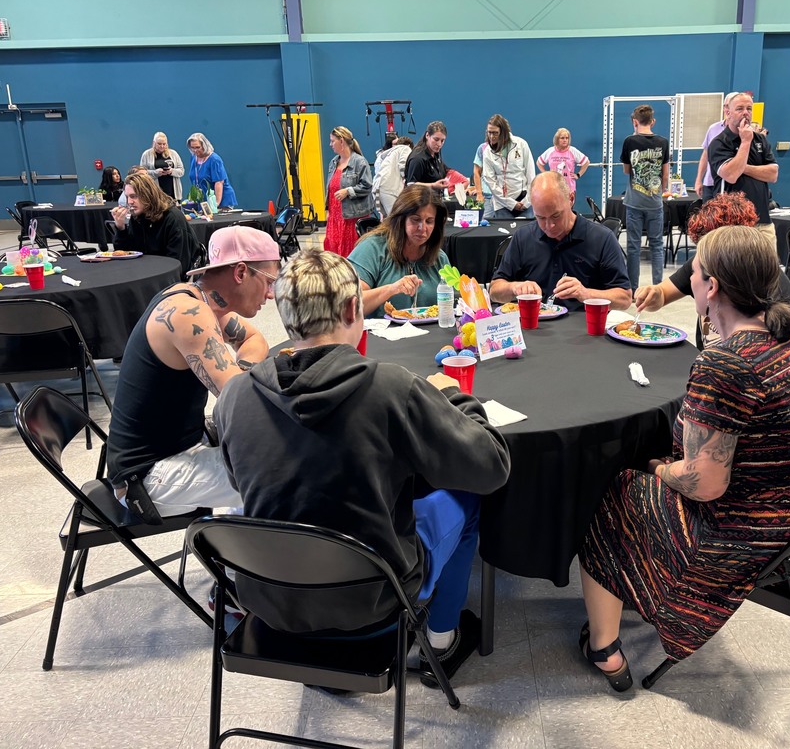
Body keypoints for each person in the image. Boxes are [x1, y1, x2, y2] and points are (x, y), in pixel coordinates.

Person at [213, 249, 511, 686]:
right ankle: (442, 639)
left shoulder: (234, 397)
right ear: (354, 307)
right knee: (465, 496)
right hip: (371, 600)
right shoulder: (391, 388)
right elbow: (492, 466)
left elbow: (242, 481)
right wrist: (454, 397)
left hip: (270, 595)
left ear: (286, 315)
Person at [577, 224, 790, 693]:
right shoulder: (789, 335)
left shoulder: (726, 363)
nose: (690, 281)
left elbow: (705, 484)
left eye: (695, 273)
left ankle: (604, 647)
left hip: (774, 545)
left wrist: (656, 468)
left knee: (612, 487)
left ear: (712, 287)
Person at [106, 226, 280, 521]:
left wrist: (240, 372)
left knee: (270, 451)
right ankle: (242, 557)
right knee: (288, 472)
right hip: (149, 477)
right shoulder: (189, 314)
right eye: (268, 281)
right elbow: (241, 402)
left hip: (173, 451)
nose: (271, 294)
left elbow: (255, 341)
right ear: (240, 272)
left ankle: (238, 546)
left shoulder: (199, 299)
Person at [634, 192, 790, 323]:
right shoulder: (702, 263)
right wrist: (654, 292)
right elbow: (662, 293)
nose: (702, 257)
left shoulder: (774, 288)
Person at [490, 172, 632, 311]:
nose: (549, 226)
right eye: (540, 217)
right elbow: (495, 291)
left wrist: (586, 294)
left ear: (571, 199)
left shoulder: (601, 238)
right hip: (535, 328)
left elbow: (624, 299)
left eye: (556, 215)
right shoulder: (523, 237)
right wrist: (514, 287)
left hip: (585, 330)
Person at [349, 186, 450, 317]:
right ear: (401, 219)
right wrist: (391, 289)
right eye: (416, 219)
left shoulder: (439, 258)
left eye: (429, 221)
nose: (423, 228)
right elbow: (350, 304)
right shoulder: (372, 248)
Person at [707, 93, 779, 237]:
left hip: (762, 221)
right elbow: (731, 176)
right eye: (740, 109)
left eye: (749, 109)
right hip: (731, 222)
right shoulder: (719, 143)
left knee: (767, 260)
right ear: (728, 112)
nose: (745, 113)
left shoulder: (760, 140)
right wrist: (745, 142)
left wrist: (742, 167)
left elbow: (773, 174)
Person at [110, 171, 200, 277]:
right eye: (127, 197)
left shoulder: (173, 219)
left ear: (148, 195)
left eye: (134, 196)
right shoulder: (137, 217)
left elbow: (177, 265)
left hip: (167, 278)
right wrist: (121, 228)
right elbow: (127, 254)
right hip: (145, 273)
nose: (129, 202)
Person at [621, 104, 670, 290]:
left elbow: (627, 170)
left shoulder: (629, 141)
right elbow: (665, 174)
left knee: (633, 247)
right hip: (655, 202)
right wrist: (660, 193)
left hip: (634, 202)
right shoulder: (663, 142)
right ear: (653, 121)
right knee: (657, 245)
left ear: (635, 122)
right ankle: (658, 288)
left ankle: (632, 289)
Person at [324, 126, 374, 257]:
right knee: (333, 252)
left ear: (341, 141)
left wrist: (348, 191)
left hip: (352, 217)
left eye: (332, 141)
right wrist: (328, 210)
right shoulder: (333, 162)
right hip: (335, 217)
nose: (330, 144)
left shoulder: (359, 162)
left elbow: (367, 186)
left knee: (352, 253)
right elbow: (329, 189)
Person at [482, 114, 535, 219]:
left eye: (495, 133)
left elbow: (531, 175)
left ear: (503, 132)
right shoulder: (487, 152)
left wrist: (527, 201)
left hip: (524, 201)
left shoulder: (521, 144)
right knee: (505, 234)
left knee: (526, 234)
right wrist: (511, 203)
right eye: (489, 132)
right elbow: (491, 183)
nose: (491, 137)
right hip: (502, 204)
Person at [187, 132, 237, 209]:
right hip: (204, 200)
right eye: (192, 148)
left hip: (221, 200)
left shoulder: (214, 159)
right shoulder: (193, 158)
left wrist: (216, 203)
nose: (195, 151)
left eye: (197, 147)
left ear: (204, 146)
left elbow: (219, 182)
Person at [537, 128, 590, 195]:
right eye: (562, 138)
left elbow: (586, 162)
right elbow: (539, 162)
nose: (565, 140)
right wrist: (546, 174)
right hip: (553, 188)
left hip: (569, 189)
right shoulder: (550, 151)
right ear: (557, 139)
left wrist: (578, 175)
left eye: (567, 138)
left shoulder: (572, 150)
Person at [372, 135, 413, 217]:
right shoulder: (406, 149)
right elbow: (402, 165)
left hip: (378, 188)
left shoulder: (388, 154)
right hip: (389, 189)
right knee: (396, 219)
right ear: (409, 145)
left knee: (389, 220)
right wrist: (407, 180)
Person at [404, 121, 450, 193]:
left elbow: (443, 169)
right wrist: (433, 185)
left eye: (442, 140)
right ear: (427, 135)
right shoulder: (417, 158)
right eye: (436, 139)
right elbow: (411, 185)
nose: (439, 144)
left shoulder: (435, 153)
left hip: (433, 200)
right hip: (419, 202)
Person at [140, 131, 185, 201]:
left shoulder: (173, 153)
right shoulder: (146, 154)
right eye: (159, 144)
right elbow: (142, 173)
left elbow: (181, 171)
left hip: (173, 192)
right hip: (155, 193)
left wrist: (171, 171)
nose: (162, 146)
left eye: (164, 144)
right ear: (154, 143)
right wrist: (155, 173)